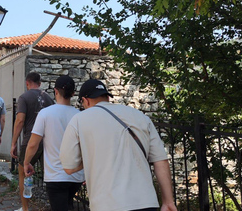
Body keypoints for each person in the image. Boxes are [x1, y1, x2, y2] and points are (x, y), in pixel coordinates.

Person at [59, 79, 178, 211]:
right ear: (107, 97)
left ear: (85, 100)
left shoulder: (79, 120)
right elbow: (160, 160)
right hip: (145, 202)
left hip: (106, 204)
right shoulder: (140, 116)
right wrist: (168, 201)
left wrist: (91, 158)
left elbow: (68, 167)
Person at [23, 75, 84, 211]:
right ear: (73, 93)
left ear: (55, 91)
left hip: (56, 175)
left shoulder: (45, 114)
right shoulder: (79, 115)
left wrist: (27, 162)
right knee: (68, 205)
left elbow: (33, 144)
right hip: (76, 175)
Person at [11, 72, 54, 211]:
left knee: (23, 172)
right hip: (47, 141)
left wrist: (13, 143)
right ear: (40, 83)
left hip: (30, 140)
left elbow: (20, 120)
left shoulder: (24, 97)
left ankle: (25, 208)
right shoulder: (48, 98)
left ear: (27, 83)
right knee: (50, 175)